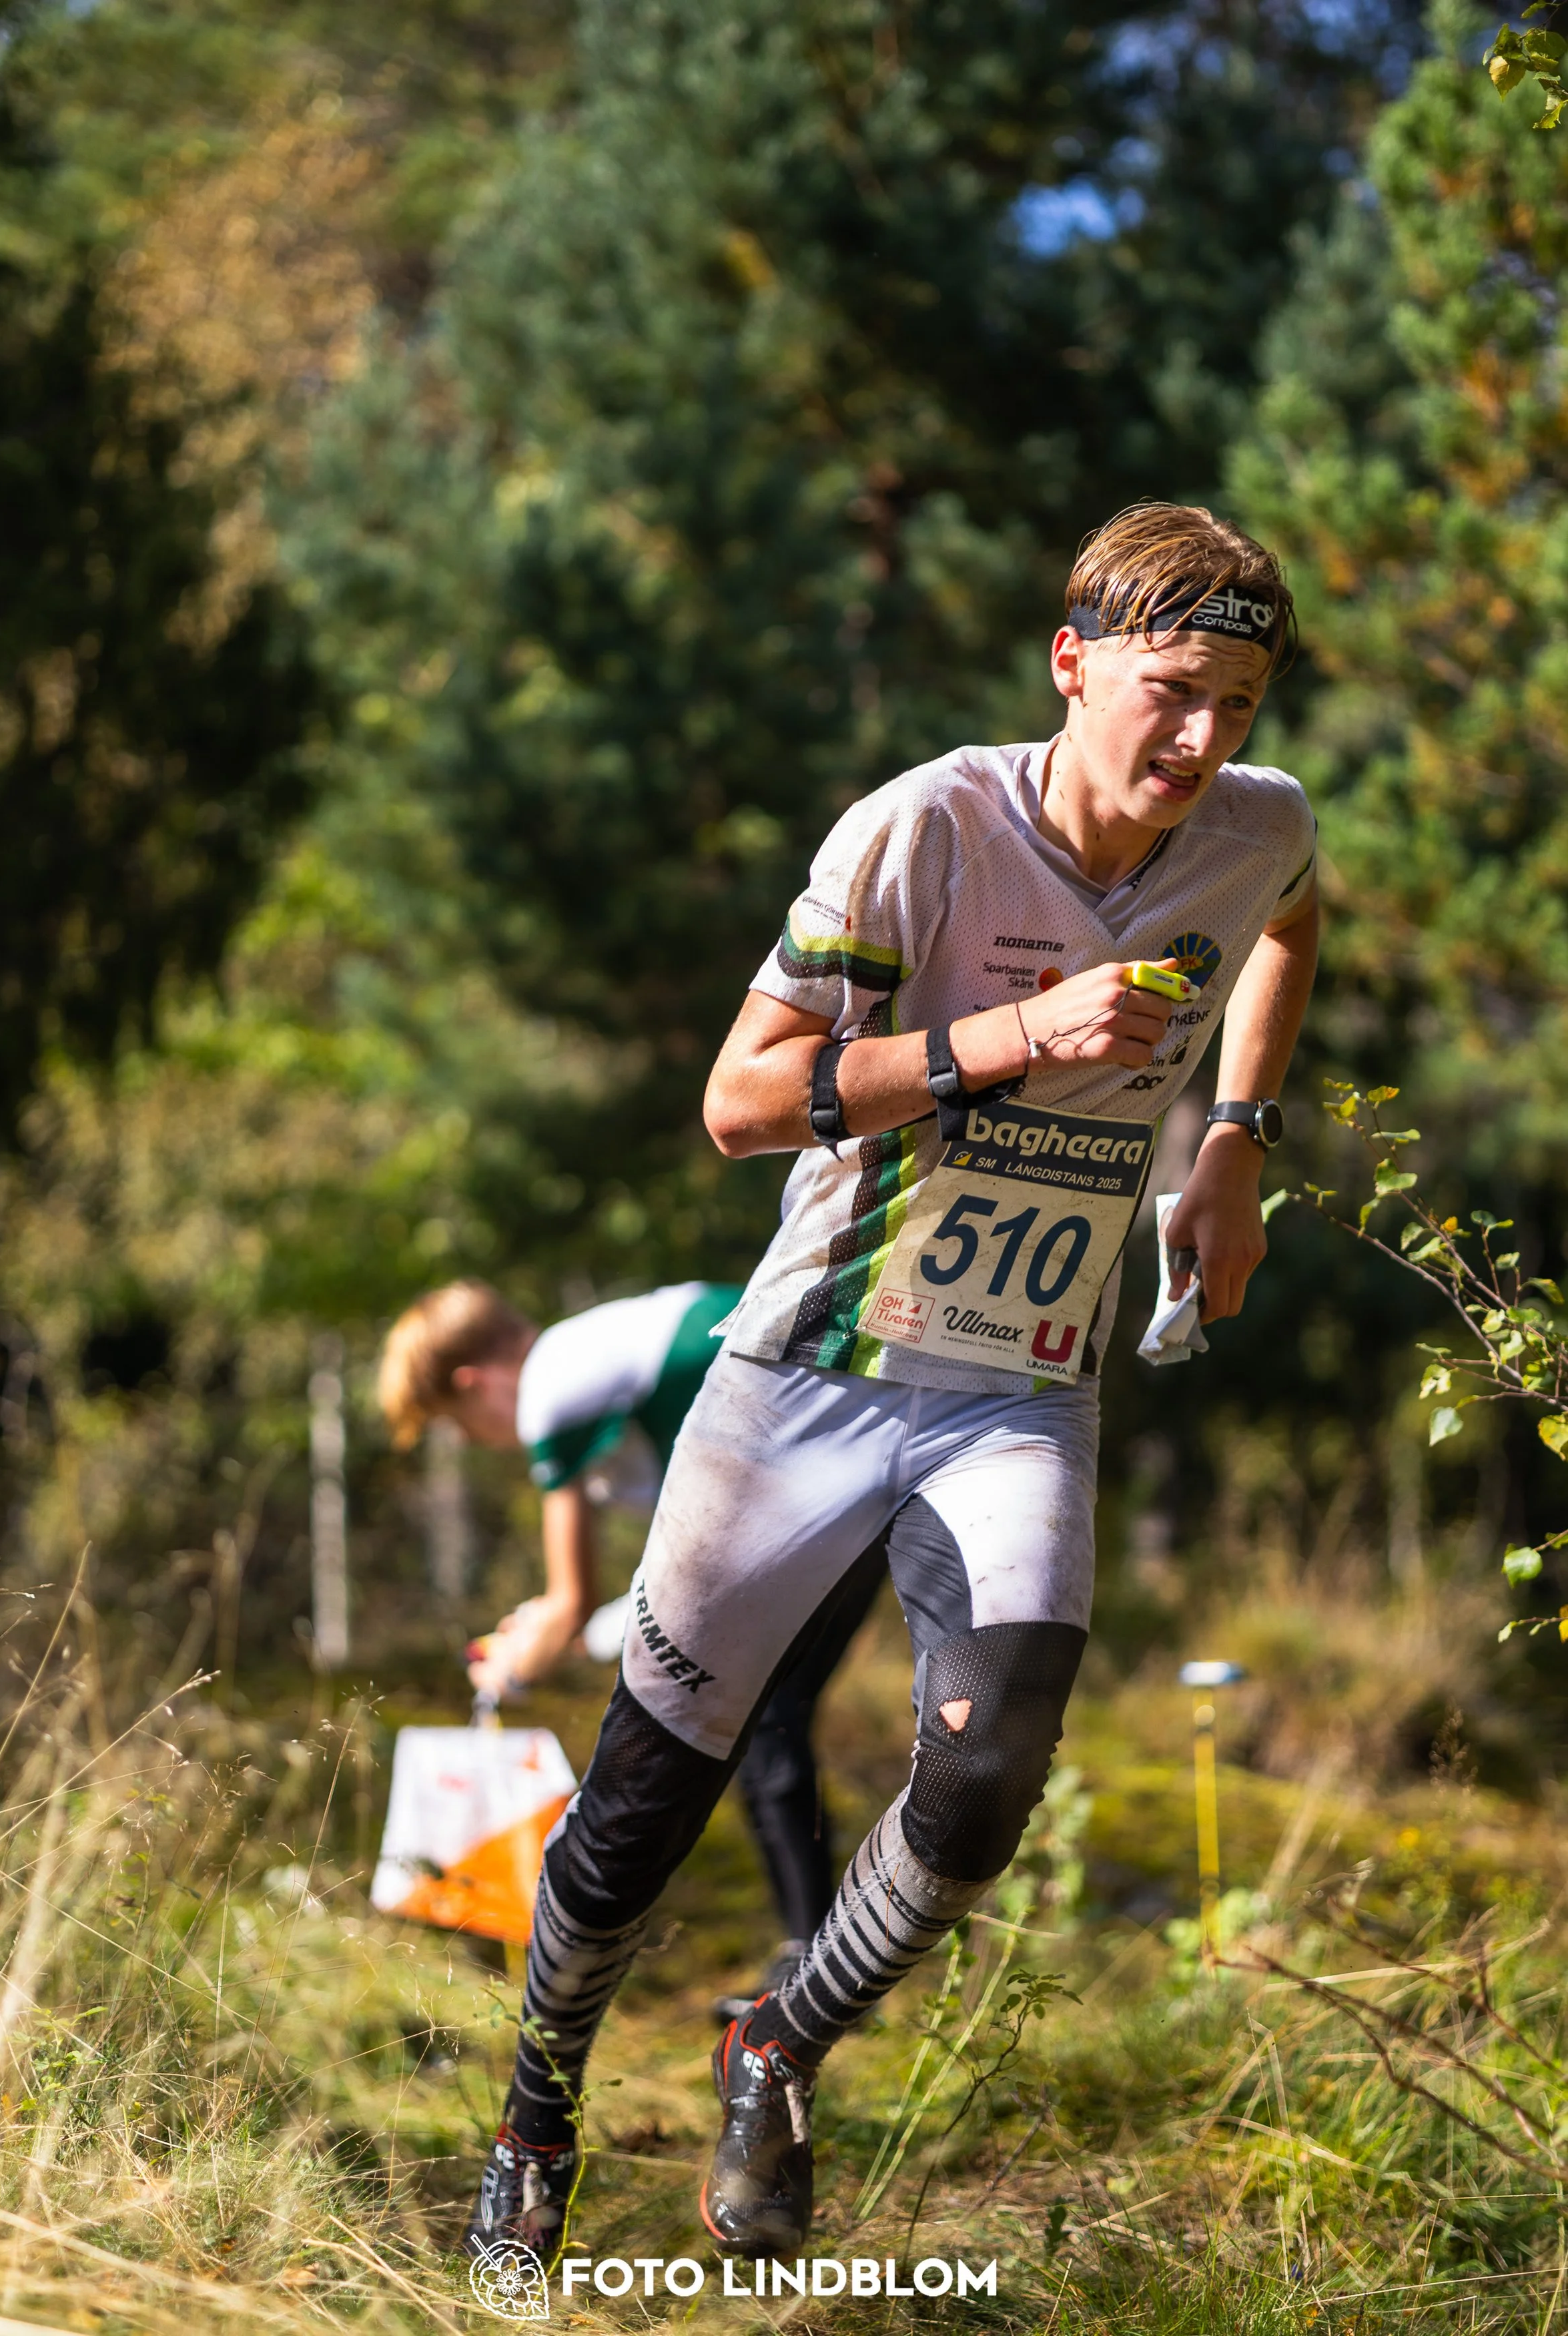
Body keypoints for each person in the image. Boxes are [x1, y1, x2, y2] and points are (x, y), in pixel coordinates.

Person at [466, 500, 1322, 2259]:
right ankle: (534, 2117)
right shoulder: (922, 827)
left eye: (1237, 704)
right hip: (807, 1375)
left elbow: (1293, 921)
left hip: (1023, 1388)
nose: (1201, 742)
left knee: (991, 1764)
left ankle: (776, 2040)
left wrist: (1230, 1140)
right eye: (1168, 693)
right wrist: (1023, 1033)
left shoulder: (1256, 829)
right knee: (640, 1809)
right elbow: (736, 1103)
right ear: (1068, 665)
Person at [376, 1278, 885, 2012]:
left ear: (473, 1381)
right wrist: (565, 1630)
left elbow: (570, 1597)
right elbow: (667, 1577)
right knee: (776, 1718)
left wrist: (520, 1657)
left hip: (820, 1486)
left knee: (767, 1723)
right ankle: (814, 1966)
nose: (468, 1438)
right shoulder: (605, 1353)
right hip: (848, 1468)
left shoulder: (553, 1386)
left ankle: (817, 1974)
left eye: (455, 1420)